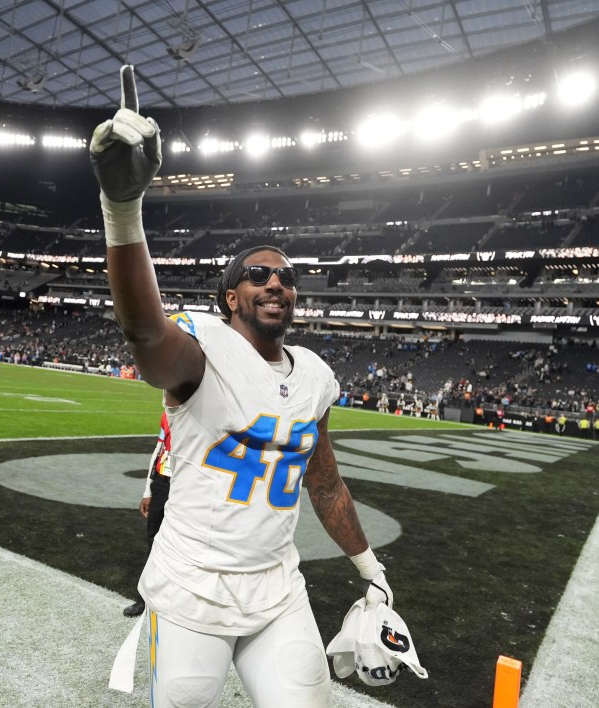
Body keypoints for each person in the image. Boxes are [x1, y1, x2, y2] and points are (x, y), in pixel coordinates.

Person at [91, 66, 393, 707]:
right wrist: (123, 207)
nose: (276, 282)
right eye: (258, 274)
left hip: (278, 585)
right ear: (231, 296)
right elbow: (145, 335)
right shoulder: (203, 348)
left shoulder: (314, 376)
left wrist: (370, 567)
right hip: (193, 583)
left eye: (286, 276)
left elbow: (326, 479)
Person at [124, 410, 173, 618]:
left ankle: (172, 599)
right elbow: (159, 449)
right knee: (153, 540)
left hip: (186, 486)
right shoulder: (168, 414)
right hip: (162, 482)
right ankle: (144, 597)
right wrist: (148, 489)